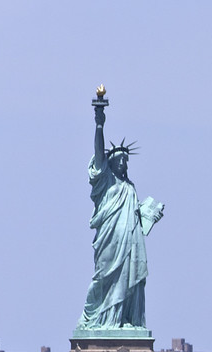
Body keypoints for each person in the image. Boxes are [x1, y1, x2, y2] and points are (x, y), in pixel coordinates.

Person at [80, 91, 164, 332]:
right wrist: (99, 124)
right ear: (111, 163)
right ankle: (99, 319)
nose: (125, 164)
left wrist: (150, 215)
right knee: (104, 275)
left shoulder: (130, 187)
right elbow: (98, 151)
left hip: (129, 240)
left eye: (127, 161)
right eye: (121, 160)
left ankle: (123, 319)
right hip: (110, 238)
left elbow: (136, 216)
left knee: (129, 279)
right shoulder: (105, 180)